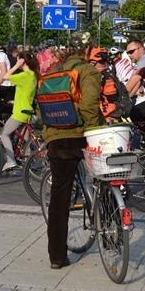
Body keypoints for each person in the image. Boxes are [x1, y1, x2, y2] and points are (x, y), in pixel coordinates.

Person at [45, 41, 102, 270]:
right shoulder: (88, 71)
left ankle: (57, 257)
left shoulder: (51, 72)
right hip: (81, 135)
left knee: (59, 198)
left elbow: (41, 108)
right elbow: (89, 106)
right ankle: (111, 233)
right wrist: (95, 133)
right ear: (85, 53)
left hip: (56, 138)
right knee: (107, 178)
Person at [0, 50, 38, 172]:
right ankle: (30, 162)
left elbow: (5, 76)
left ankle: (10, 161)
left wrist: (16, 65)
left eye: (18, 60)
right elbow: (27, 93)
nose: (16, 61)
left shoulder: (24, 75)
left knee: (3, 133)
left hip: (20, 112)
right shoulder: (33, 74)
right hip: (28, 110)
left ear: (23, 61)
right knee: (26, 139)